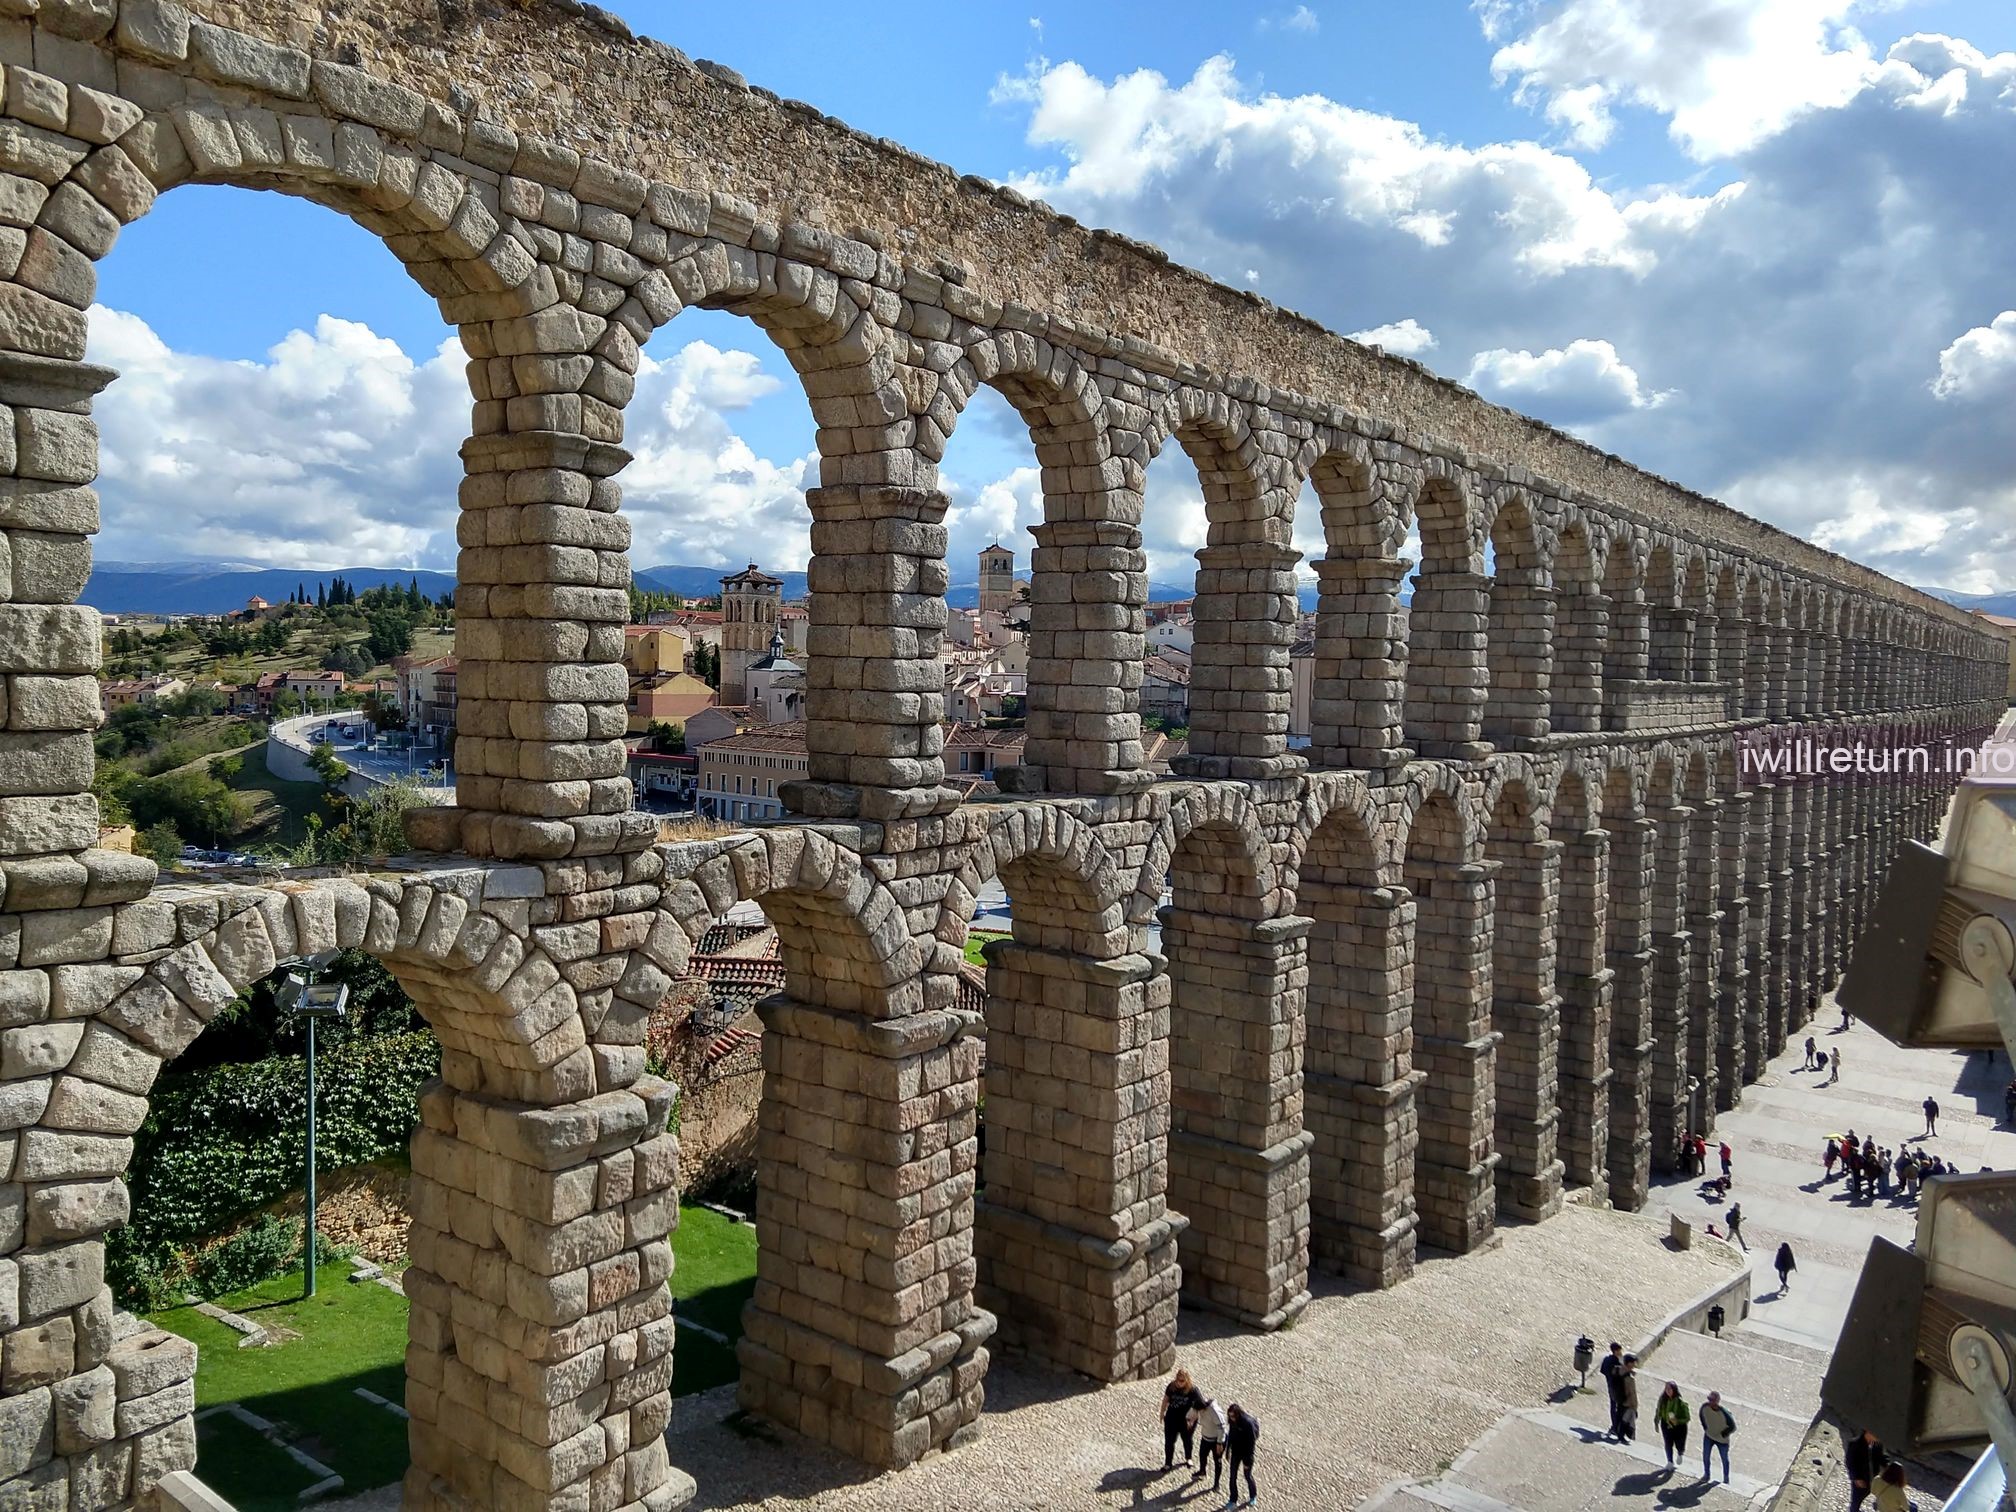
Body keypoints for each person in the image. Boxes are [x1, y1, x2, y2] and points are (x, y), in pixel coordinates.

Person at [1161, 1367, 1203, 1470]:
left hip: (1186, 1420)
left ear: (1187, 1380)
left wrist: (1192, 1419)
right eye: (1178, 1380)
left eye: (1182, 1381)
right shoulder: (1171, 1387)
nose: (1179, 1383)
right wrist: (1162, 1412)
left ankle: (1189, 1458)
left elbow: (1200, 1405)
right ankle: (1168, 1463)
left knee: (1187, 1440)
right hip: (1172, 1418)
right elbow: (1166, 1399)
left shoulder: (1193, 1390)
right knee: (1169, 1441)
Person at [1223, 1403, 1259, 1508]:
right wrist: (1227, 1450)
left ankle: (1253, 1496)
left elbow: (1251, 1444)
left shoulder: (1247, 1423)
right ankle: (1233, 1500)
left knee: (1247, 1476)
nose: (1231, 1418)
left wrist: (1248, 1462)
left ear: (1238, 1414)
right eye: (1230, 1416)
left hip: (1246, 1454)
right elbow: (1230, 1435)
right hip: (1236, 1452)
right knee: (1232, 1476)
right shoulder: (1232, 1421)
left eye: (1233, 1416)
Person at [1190, 1395, 1229, 1489]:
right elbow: (1192, 1413)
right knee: (1202, 1455)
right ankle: (1202, 1471)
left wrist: (1220, 1443)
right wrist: (1190, 1420)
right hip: (1206, 1438)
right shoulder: (1199, 1407)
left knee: (1217, 1461)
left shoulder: (1214, 1411)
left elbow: (1221, 1427)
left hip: (1216, 1440)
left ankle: (1216, 1483)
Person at [1846, 1427, 1887, 1512]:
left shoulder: (1877, 1444)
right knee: (1856, 1500)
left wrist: (1888, 1466)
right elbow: (1850, 1463)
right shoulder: (1855, 1444)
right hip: (1861, 1480)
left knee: (1869, 1494)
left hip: (1873, 1479)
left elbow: (1882, 1457)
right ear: (1868, 1432)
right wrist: (1856, 1478)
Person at [1699, 1391, 1736, 1483]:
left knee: (1724, 1459)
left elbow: (1732, 1426)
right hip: (1709, 1436)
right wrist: (1706, 1428)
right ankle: (1706, 1475)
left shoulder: (1724, 1413)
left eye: (1712, 1400)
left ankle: (1726, 1478)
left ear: (1717, 1401)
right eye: (1709, 1399)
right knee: (1706, 1456)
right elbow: (1702, 1416)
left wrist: (1723, 1434)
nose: (1710, 1402)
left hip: (1722, 1440)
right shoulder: (1705, 1407)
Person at [1654, 1381, 1690, 1468]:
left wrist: (1677, 1421)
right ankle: (1670, 1461)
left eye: (1669, 1389)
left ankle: (1680, 1453)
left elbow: (1687, 1417)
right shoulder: (1663, 1399)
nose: (1668, 1391)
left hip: (1679, 1427)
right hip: (1666, 1424)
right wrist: (1656, 1421)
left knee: (1679, 1443)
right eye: (1666, 1388)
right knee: (1668, 1443)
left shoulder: (1680, 1402)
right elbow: (1659, 1410)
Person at [1600, 1342, 1627, 1439]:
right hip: (1617, 1387)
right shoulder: (1617, 1362)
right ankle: (1616, 1427)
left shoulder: (1606, 1359)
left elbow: (1602, 1370)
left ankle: (1614, 1426)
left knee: (1613, 1405)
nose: (1621, 1352)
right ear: (1616, 1351)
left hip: (1610, 1385)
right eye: (1619, 1350)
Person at [1617, 1354, 1640, 1444]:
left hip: (1620, 1399)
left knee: (1621, 1417)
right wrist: (1635, 1406)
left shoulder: (1619, 1370)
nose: (1634, 1364)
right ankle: (1621, 1435)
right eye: (1633, 1363)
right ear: (1629, 1363)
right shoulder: (1629, 1378)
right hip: (1628, 1402)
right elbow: (1632, 1393)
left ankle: (1618, 1431)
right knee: (1626, 1420)